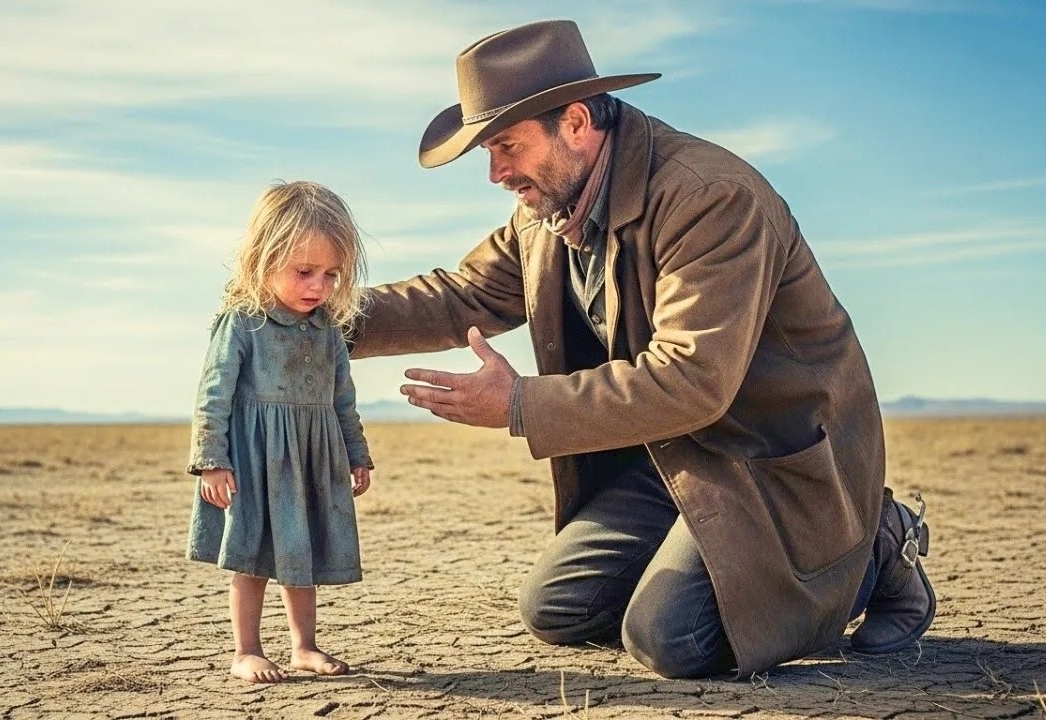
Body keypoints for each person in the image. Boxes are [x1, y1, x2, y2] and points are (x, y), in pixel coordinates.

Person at [349, 19, 934, 679]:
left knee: (668, 639)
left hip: (766, 458)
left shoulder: (709, 196)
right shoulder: (546, 212)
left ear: (574, 123)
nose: (495, 173)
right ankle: (708, 562)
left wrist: (519, 403)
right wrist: (321, 313)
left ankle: (877, 539)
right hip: (675, 459)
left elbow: (691, 378)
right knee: (559, 610)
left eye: (506, 145)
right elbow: (462, 296)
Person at [185, 180, 374, 684]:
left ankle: (303, 647)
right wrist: (212, 459)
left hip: (312, 458)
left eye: (331, 275)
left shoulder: (328, 329)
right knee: (250, 556)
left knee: (301, 552)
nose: (318, 286)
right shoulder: (242, 322)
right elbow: (213, 394)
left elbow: (342, 400)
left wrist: (357, 455)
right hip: (253, 460)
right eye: (304, 271)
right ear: (262, 260)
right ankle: (246, 650)